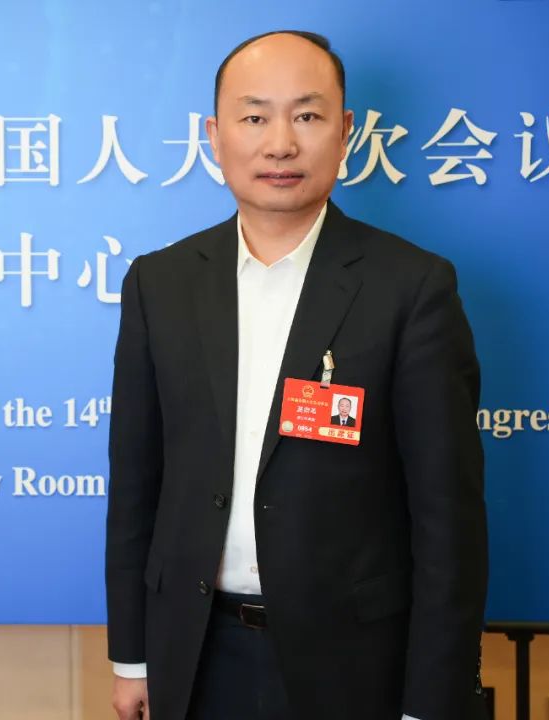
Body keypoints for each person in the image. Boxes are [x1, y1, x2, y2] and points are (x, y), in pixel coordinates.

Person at [105, 30, 488, 720]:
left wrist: (431, 701)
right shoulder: (159, 284)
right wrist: (132, 656)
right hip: (194, 652)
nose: (280, 144)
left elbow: (448, 523)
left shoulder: (411, 288)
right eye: (254, 117)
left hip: (355, 663)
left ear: (345, 132)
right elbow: (136, 486)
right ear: (214, 135)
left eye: (307, 116)